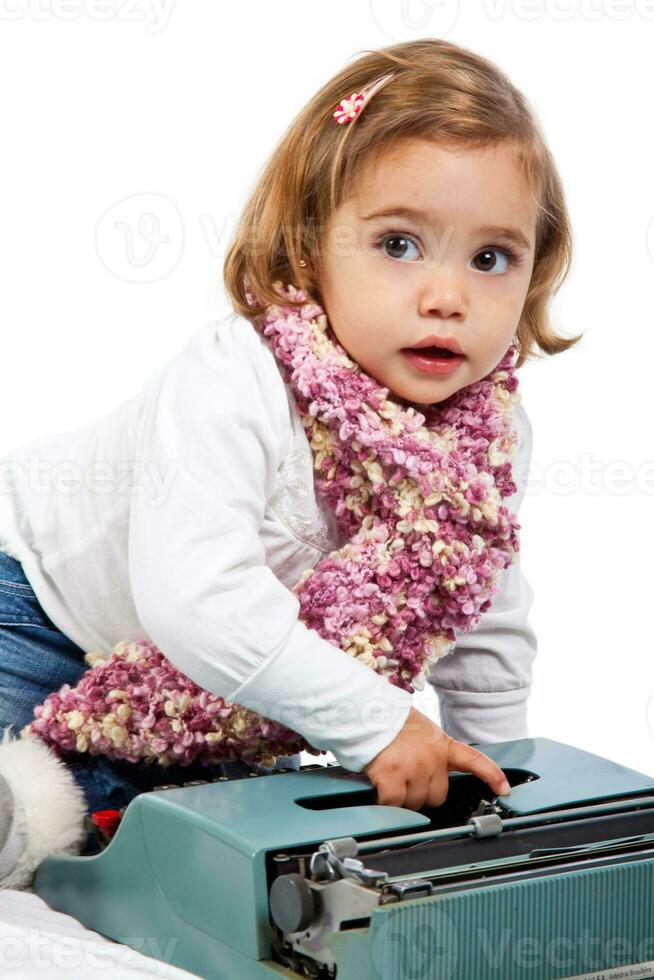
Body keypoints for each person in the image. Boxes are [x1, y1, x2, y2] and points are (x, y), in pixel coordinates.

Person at [0, 37, 582, 888]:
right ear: (308, 249)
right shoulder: (235, 379)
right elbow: (198, 600)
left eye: (490, 258)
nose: (447, 296)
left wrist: (502, 783)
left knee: (219, 837)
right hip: (39, 609)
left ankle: (103, 800)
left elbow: (483, 615)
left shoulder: (489, 437)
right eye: (398, 244)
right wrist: (380, 724)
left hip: (215, 683)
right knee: (35, 818)